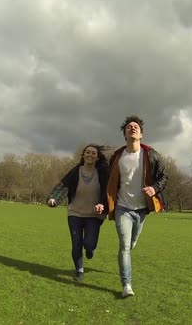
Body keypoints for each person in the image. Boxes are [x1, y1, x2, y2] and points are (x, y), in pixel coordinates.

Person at [106, 115, 168, 298]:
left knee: (132, 243)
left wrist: (154, 188)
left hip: (141, 209)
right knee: (124, 246)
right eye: (129, 127)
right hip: (122, 207)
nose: (132, 128)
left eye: (136, 127)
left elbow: (164, 177)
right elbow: (109, 181)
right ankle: (126, 285)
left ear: (141, 134)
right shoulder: (117, 157)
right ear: (125, 134)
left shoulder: (151, 154)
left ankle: (130, 248)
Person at [47, 144, 109, 282]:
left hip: (94, 215)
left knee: (89, 244)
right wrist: (54, 199)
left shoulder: (103, 173)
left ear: (97, 157)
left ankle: (90, 249)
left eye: (93, 153)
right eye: (87, 152)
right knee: (76, 243)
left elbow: (108, 191)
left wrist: (103, 205)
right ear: (83, 155)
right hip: (75, 213)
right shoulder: (76, 171)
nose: (90, 155)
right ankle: (79, 271)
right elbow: (63, 186)